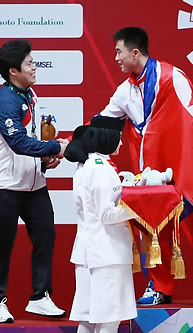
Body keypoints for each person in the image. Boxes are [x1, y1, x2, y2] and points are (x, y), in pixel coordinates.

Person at [98, 26, 193, 306]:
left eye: (119, 52)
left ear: (135, 53)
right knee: (153, 229)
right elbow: (101, 123)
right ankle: (160, 286)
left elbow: (191, 123)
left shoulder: (173, 78)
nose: (115, 58)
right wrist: (68, 144)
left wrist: (183, 166)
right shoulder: (124, 91)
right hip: (155, 174)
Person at [0, 39, 68, 323]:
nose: (35, 67)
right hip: (5, 186)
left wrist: (45, 160)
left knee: (46, 237)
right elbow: (18, 143)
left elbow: (32, 138)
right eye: (30, 63)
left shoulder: (29, 93)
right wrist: (56, 147)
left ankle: (39, 297)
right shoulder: (4, 102)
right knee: (2, 245)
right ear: (13, 71)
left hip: (34, 186)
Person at [64, 116, 138, 333]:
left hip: (89, 252)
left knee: (88, 318)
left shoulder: (87, 165)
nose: (122, 143)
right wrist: (139, 208)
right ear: (108, 138)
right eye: (119, 138)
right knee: (109, 318)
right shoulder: (101, 168)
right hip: (107, 252)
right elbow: (106, 213)